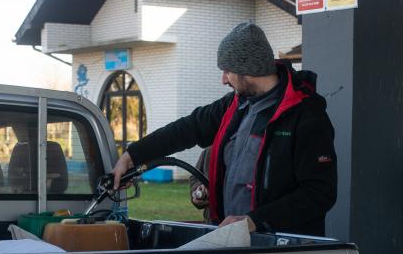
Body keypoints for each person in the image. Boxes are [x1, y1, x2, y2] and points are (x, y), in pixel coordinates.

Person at [111, 22, 337, 236]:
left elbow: (319, 193)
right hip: (233, 245)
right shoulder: (235, 106)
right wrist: (133, 156)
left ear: (247, 69)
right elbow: (186, 129)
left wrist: (254, 221)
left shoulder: (305, 116)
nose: (223, 80)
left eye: (227, 71)